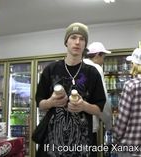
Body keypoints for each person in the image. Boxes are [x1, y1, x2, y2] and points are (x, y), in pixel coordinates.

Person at [35, 22, 106, 157]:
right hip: (52, 145)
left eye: (82, 39)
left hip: (83, 145)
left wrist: (84, 106)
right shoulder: (50, 70)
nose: (77, 42)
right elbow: (40, 104)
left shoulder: (92, 73)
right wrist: (51, 102)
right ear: (66, 41)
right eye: (73, 37)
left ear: (85, 45)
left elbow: (99, 108)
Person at [83, 42, 112, 157]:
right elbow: (102, 99)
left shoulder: (78, 65)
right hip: (89, 125)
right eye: (103, 57)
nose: (103, 61)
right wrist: (108, 122)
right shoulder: (95, 68)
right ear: (97, 55)